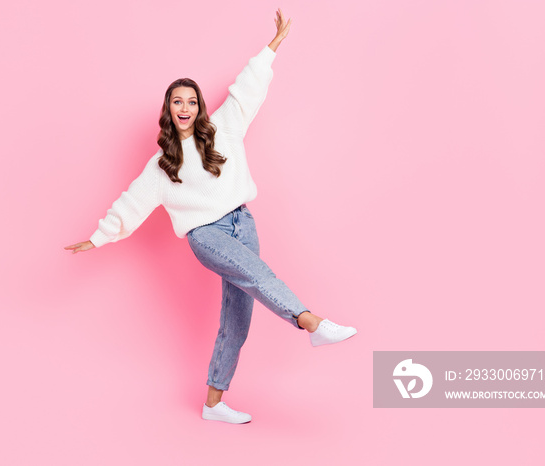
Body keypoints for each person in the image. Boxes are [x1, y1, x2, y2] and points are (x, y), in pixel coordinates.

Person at [65, 9, 357, 424]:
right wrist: (97, 237)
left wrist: (272, 46)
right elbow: (132, 203)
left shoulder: (224, 127)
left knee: (237, 319)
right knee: (259, 274)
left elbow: (246, 90)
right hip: (207, 235)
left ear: (199, 106)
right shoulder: (161, 165)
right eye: (176, 101)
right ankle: (311, 323)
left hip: (244, 222)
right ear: (168, 109)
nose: (185, 107)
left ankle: (213, 404)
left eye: (191, 100)